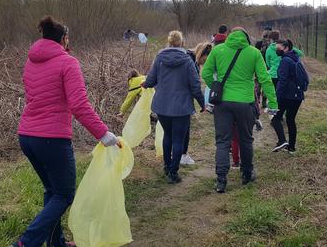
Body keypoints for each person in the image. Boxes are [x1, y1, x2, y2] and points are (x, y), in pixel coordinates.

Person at [13, 17, 119, 247]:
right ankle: (26, 243)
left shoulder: (31, 61)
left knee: (52, 191)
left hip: (27, 137)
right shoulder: (68, 62)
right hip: (52, 139)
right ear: (63, 38)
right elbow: (79, 105)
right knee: (64, 194)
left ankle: (56, 242)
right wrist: (103, 134)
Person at [202, 27, 278, 193]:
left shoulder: (218, 50)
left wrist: (216, 87)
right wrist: (272, 102)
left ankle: (221, 179)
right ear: (246, 37)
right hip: (245, 102)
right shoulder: (254, 52)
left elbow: (206, 73)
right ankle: (246, 173)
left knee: (222, 141)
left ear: (229, 36)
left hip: (222, 103)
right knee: (245, 139)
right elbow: (264, 78)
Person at [143, 31, 205, 184]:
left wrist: (145, 84)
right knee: (178, 139)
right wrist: (203, 104)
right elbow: (195, 86)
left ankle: (166, 166)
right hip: (182, 108)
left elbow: (151, 80)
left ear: (168, 42)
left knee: (168, 136)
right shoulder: (187, 60)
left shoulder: (159, 58)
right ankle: (173, 172)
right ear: (182, 42)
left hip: (162, 107)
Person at [270, 39, 309, 154]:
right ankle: (291, 147)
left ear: (286, 48)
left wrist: (277, 96)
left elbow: (283, 80)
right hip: (298, 95)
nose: (277, 50)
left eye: (278, 48)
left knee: (275, 118)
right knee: (290, 120)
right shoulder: (295, 58)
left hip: (287, 95)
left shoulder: (285, 61)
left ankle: (282, 140)